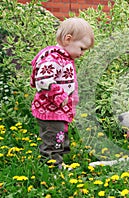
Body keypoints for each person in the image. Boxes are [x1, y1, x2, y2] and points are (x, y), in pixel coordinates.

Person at [30, 17, 94, 169]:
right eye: (82, 48)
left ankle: (58, 163)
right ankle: (50, 166)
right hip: (50, 110)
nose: (82, 53)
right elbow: (43, 80)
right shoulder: (53, 58)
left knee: (60, 137)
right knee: (53, 140)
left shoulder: (64, 58)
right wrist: (59, 95)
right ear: (68, 39)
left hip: (58, 111)